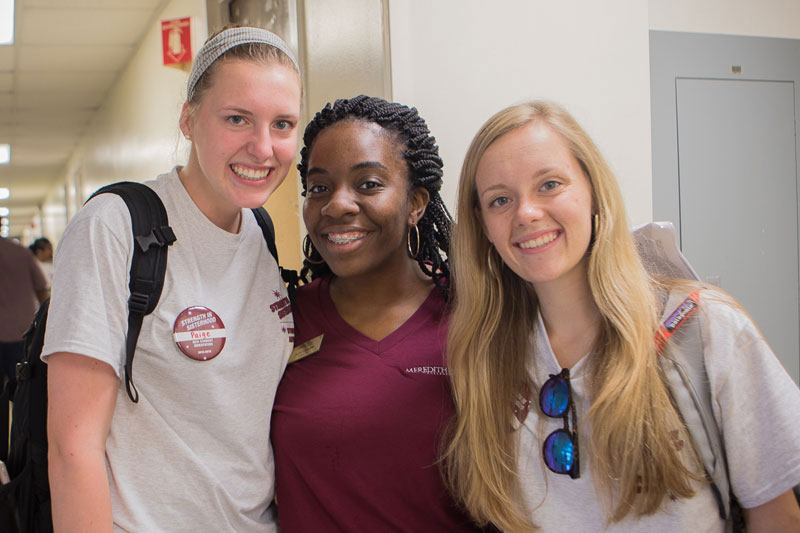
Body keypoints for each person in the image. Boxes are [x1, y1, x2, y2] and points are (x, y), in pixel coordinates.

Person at [444, 100, 800, 532]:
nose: (527, 213)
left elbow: (776, 517)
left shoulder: (703, 329)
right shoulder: (484, 356)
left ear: (593, 191)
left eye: (550, 184)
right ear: (483, 226)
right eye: (501, 200)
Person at [43, 26, 301, 532]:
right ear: (189, 119)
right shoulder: (116, 226)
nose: (263, 147)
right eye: (236, 119)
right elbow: (72, 450)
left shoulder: (261, 233)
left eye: (283, 124)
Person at [271, 95, 483, 531]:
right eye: (320, 188)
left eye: (368, 184)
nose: (337, 205)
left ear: (416, 203)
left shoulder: (472, 321)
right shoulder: (280, 321)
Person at [0, 236, 48, 393]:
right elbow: (42, 290)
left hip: (17, 334)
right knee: (24, 392)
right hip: (21, 334)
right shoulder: (20, 252)